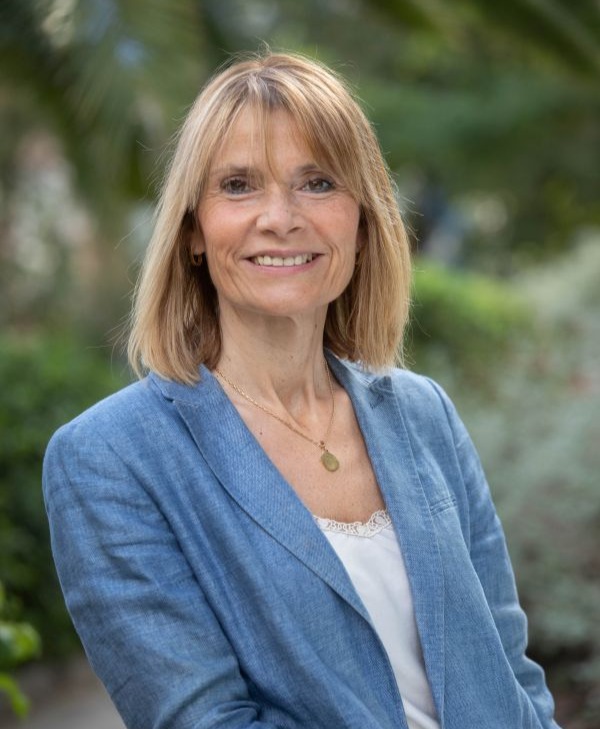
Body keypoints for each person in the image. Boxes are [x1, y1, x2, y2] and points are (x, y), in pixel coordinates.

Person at [43, 51, 560, 729]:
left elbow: (512, 673)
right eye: (238, 185)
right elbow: (205, 720)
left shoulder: (424, 412)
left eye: (317, 183)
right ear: (193, 230)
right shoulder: (109, 458)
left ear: (362, 222)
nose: (280, 217)